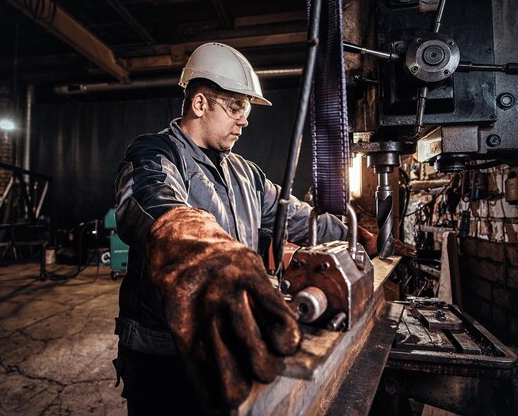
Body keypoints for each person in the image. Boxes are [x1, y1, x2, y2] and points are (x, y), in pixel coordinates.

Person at [113, 42, 379, 415]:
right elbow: (148, 203)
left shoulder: (245, 172)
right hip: (165, 348)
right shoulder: (155, 154)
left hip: (230, 336)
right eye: (235, 106)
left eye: (247, 109)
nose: (245, 119)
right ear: (200, 103)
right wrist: (209, 254)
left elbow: (298, 218)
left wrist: (349, 234)